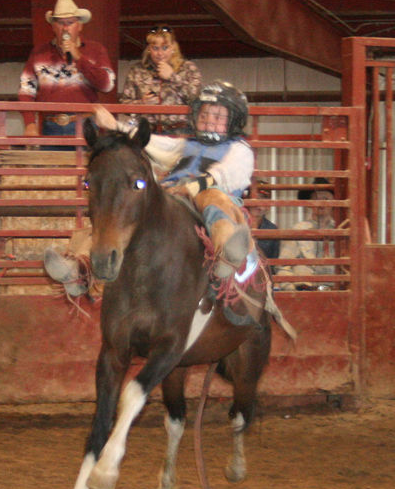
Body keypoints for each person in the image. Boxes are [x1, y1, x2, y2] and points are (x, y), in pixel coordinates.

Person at [45, 80, 255, 296]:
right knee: (125, 210)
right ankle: (81, 268)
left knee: (213, 198)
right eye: (204, 116)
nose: (209, 122)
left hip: (216, 197)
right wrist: (115, 125)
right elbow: (154, 143)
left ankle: (225, 253)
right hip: (175, 195)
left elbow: (223, 174)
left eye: (217, 117)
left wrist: (190, 187)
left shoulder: (240, 150)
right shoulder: (186, 145)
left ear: (233, 121)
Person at [18, 0, 115, 140]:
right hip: (50, 124)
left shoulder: (96, 50)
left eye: (70, 23)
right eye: (60, 23)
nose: (65, 27)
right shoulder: (39, 53)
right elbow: (26, 90)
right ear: (53, 26)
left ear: (80, 26)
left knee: (85, 163)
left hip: (85, 124)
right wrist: (30, 123)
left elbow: (107, 85)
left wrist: (79, 58)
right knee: (50, 162)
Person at [120, 25, 202, 134]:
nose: (160, 53)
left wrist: (172, 77)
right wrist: (141, 103)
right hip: (147, 133)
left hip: (181, 132)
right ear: (149, 49)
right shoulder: (137, 70)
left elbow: (197, 100)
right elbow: (124, 104)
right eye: (155, 48)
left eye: (165, 48)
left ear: (173, 48)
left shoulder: (188, 68)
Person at [277, 177, 335, 290]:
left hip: (335, 290)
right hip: (304, 289)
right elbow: (283, 266)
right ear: (309, 203)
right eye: (317, 199)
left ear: (334, 202)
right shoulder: (297, 230)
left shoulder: (341, 230)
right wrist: (291, 289)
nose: (321, 203)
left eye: (326, 198)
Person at [245, 179, 279, 264]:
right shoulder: (235, 225)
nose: (258, 204)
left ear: (268, 206)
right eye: (255, 198)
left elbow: (273, 263)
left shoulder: (272, 230)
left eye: (263, 200)